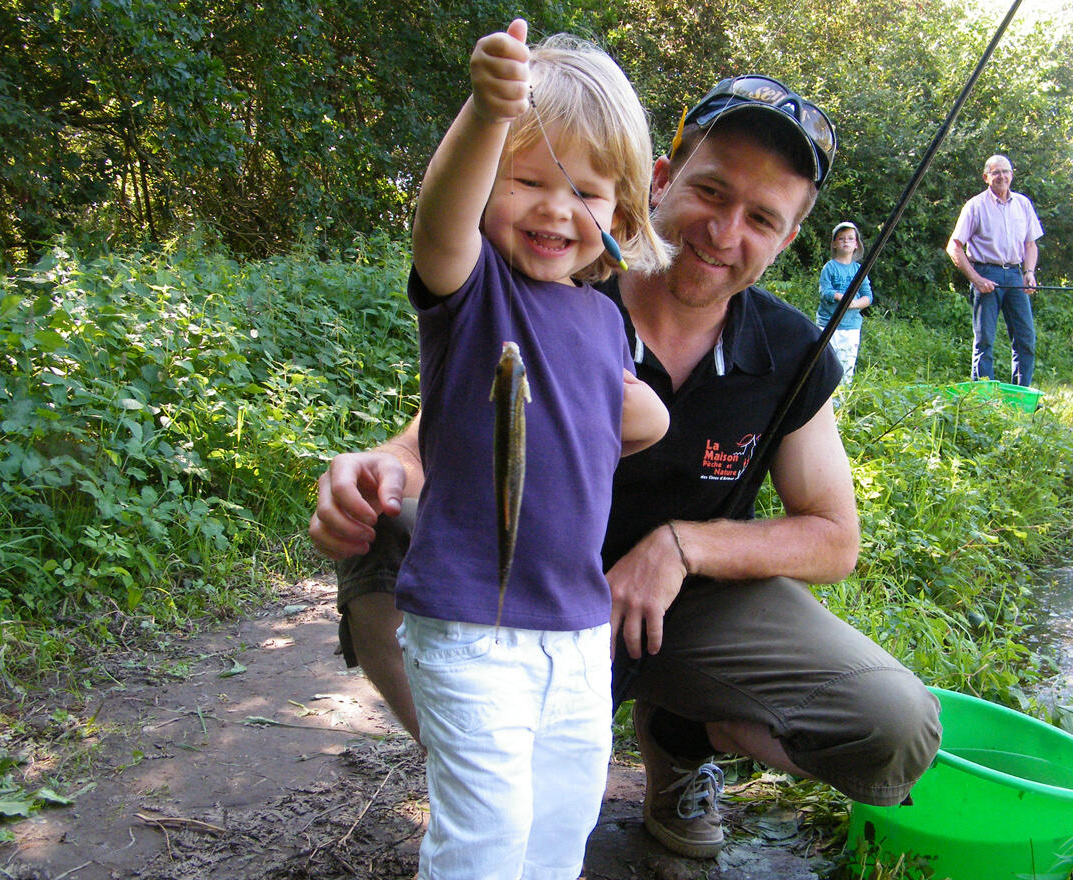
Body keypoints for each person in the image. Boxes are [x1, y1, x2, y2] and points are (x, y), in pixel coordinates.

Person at [312, 73, 943, 862]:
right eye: (710, 190)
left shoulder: (790, 350)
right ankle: (483, 761)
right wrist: (372, 466)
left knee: (891, 723)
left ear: (786, 241)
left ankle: (683, 738)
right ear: (658, 180)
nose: (723, 230)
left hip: (683, 614)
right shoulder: (554, 279)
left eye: (760, 219)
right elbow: (433, 435)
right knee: (383, 523)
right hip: (517, 595)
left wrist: (681, 547)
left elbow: (832, 538)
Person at [393, 21, 670, 879]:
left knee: (560, 827)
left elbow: (617, 414)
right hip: (471, 624)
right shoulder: (473, 293)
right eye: (526, 179)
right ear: (487, 189)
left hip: (578, 631)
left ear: (622, 216)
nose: (557, 208)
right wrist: (485, 115)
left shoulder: (603, 318)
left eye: (588, 193)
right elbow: (439, 226)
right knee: (485, 836)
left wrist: (644, 416)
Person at [946, 154, 1044, 387]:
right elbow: (954, 246)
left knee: (1025, 339)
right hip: (985, 273)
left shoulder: (1023, 204)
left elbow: (1030, 244)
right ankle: (981, 397)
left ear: (1012, 174)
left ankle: (1022, 394)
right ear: (986, 177)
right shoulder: (975, 205)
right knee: (984, 341)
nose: (1002, 176)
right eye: (996, 172)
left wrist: (1029, 273)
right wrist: (977, 279)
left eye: (1006, 171)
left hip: (1014, 275)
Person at [816, 220, 874, 385]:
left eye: (850, 238)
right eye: (841, 238)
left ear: (856, 244)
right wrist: (843, 298)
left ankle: (841, 405)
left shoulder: (858, 270)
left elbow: (868, 296)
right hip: (827, 324)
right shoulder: (829, 267)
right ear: (834, 244)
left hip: (851, 327)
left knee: (846, 367)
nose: (846, 242)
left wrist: (854, 304)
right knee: (824, 365)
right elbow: (825, 291)